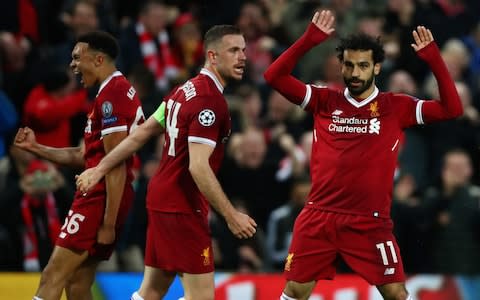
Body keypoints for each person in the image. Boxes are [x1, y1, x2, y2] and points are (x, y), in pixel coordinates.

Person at [263, 10, 463, 300]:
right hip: (319, 216)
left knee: (396, 293)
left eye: (363, 66)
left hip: (369, 222)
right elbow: (274, 76)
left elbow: (452, 109)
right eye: (349, 65)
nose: (354, 73)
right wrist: (308, 41)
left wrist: (434, 59)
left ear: (377, 68)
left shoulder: (396, 107)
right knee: (295, 290)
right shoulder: (324, 100)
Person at [76, 25, 257, 300]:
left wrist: (100, 168)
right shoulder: (210, 101)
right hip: (181, 205)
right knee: (201, 296)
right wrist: (232, 217)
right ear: (213, 56)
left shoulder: (183, 91)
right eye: (233, 50)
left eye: (243, 50)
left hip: (162, 197)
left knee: (152, 290)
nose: (242, 56)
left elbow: (142, 134)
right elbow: (198, 166)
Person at [14, 30, 145, 300]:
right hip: (104, 195)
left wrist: (108, 224)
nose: (72, 65)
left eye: (77, 58)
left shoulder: (113, 96)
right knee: (77, 283)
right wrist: (36, 148)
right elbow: (81, 155)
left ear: (98, 60)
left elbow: (117, 163)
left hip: (100, 198)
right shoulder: (108, 94)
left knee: (52, 275)